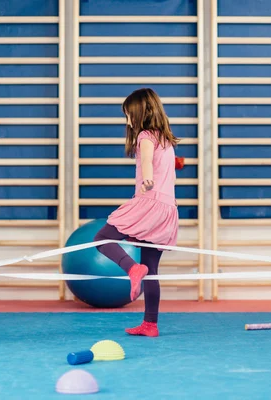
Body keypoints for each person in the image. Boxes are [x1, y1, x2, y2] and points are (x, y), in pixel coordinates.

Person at [93, 88, 179, 338]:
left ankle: (131, 269)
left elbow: (147, 164)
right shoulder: (165, 138)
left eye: (129, 115)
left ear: (140, 113)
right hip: (167, 210)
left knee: (101, 239)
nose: (127, 121)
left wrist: (148, 180)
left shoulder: (145, 137)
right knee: (151, 269)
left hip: (148, 203)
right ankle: (150, 324)